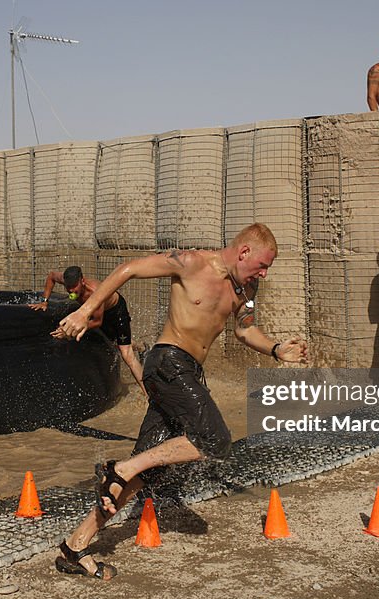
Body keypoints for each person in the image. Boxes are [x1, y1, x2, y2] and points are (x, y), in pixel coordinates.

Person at [49, 224, 307, 579]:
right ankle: (120, 469)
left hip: (187, 373)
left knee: (146, 469)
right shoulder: (190, 263)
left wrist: (277, 349)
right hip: (168, 362)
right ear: (244, 252)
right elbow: (129, 270)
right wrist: (84, 310)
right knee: (215, 441)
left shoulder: (247, 287)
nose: (264, 273)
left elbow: (245, 329)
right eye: (262, 265)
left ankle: (74, 547)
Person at [29, 265, 146, 396]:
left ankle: (149, 395)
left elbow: (97, 322)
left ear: (82, 281)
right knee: (115, 343)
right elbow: (51, 276)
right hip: (97, 313)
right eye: (68, 287)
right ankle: (141, 347)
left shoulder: (94, 291)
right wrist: (44, 301)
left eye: (74, 286)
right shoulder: (66, 280)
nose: (71, 290)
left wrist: (71, 331)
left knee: (126, 354)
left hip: (116, 312)